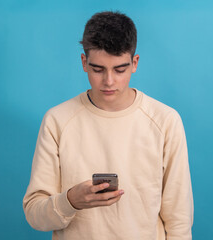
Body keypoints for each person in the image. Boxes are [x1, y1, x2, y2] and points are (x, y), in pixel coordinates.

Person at [23, 11, 194, 240]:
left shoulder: (165, 120)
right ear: (84, 63)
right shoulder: (57, 120)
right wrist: (71, 200)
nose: (109, 81)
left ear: (135, 63)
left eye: (120, 70)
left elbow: (178, 218)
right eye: (98, 69)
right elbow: (35, 214)